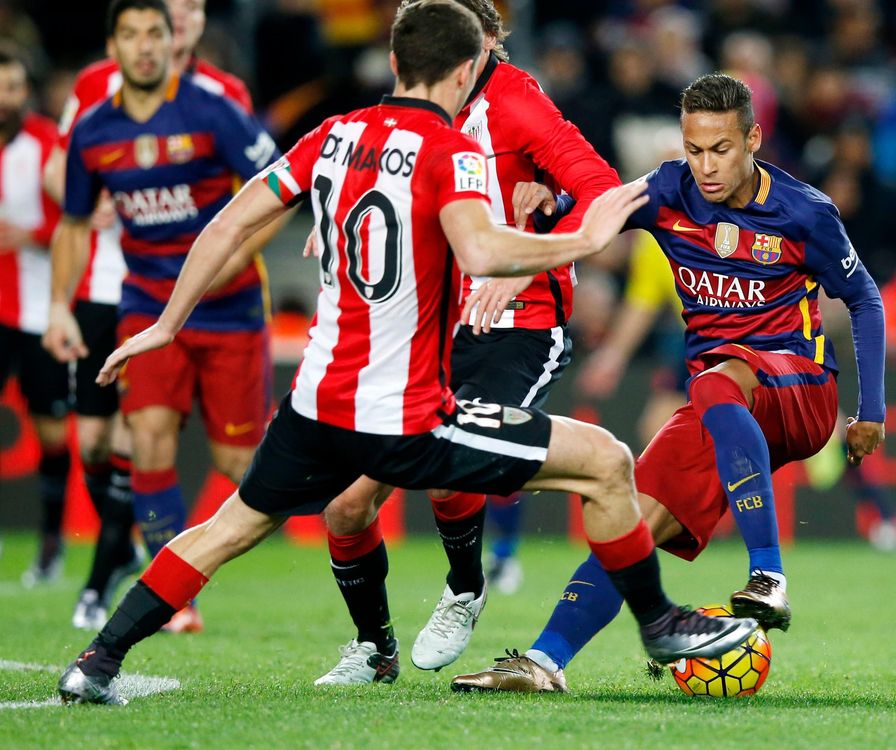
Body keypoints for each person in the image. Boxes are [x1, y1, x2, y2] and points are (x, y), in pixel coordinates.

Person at [57, 0, 755, 707]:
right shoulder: (449, 149)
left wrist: (166, 324)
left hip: (316, 404)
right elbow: (481, 248)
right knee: (607, 462)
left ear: (393, 62)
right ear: (462, 72)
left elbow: (231, 221)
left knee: (228, 528)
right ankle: (660, 622)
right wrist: (579, 240)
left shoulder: (334, 134)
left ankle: (98, 658)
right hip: (407, 414)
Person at [451, 73, 887, 693]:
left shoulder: (805, 212)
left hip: (801, 390)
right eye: (694, 149)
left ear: (754, 139)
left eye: (721, 149)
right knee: (626, 520)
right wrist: (549, 209)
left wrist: (871, 410)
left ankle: (769, 575)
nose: (706, 166)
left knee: (715, 381)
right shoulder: (667, 191)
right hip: (723, 405)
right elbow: (597, 212)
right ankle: (544, 663)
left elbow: (865, 299)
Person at [311, 0, 623, 685]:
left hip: (515, 323)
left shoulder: (519, 102)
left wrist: (536, 246)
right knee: (345, 503)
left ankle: (464, 586)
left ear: (488, 39)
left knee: (453, 463)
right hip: (423, 327)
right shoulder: (412, 106)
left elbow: (603, 189)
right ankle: (374, 646)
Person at [44, 0, 282, 635]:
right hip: (147, 306)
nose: (146, 46)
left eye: (155, 33)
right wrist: (57, 308)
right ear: (112, 47)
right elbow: (71, 223)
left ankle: (181, 565)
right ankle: (174, 594)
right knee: (145, 436)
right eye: (131, 35)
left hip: (230, 312)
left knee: (239, 469)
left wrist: (233, 261)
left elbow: (284, 188)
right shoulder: (94, 130)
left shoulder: (212, 109)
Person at [0, 44, 70, 586]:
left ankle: (51, 544)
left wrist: (34, 234)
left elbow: (77, 213)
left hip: (40, 308)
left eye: (14, 87)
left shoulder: (47, 141)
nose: (6, 99)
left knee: (52, 431)